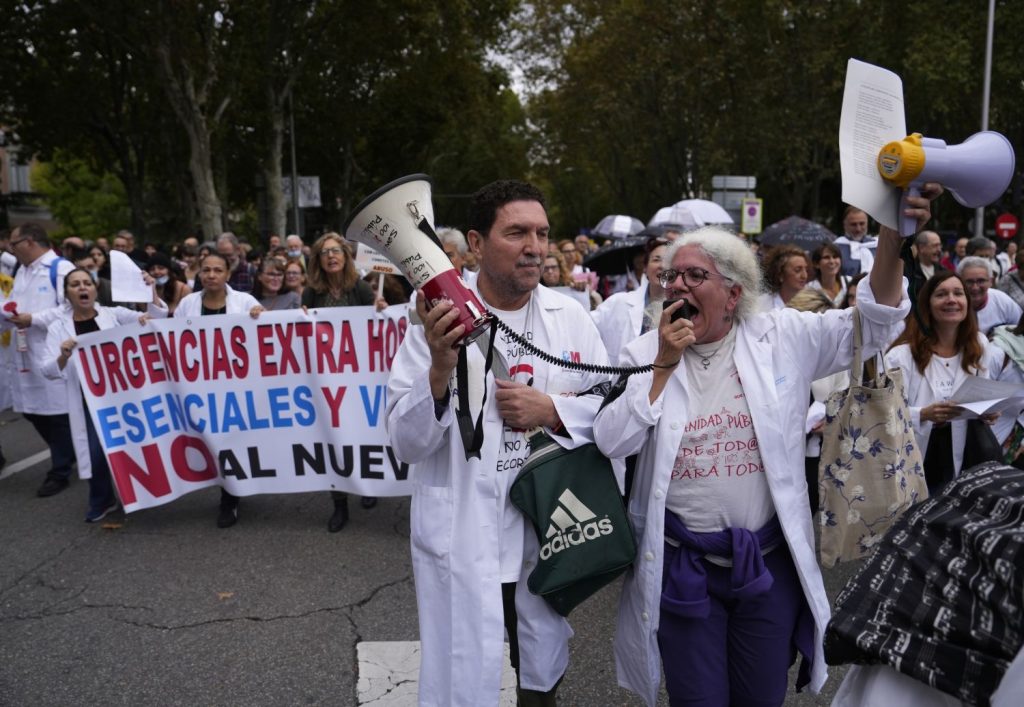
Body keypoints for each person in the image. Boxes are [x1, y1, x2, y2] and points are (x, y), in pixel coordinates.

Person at [592, 186, 936, 707]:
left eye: (694, 276)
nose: (677, 286)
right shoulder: (646, 348)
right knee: (699, 699)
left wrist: (891, 236)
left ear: (733, 293)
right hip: (686, 569)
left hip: (765, 565)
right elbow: (612, 439)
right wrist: (661, 365)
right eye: (671, 277)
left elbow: (876, 322)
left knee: (760, 697)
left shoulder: (782, 336)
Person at [386, 179, 611, 705]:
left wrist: (552, 408)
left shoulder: (571, 317)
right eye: (517, 232)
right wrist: (439, 369)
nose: (535, 246)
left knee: (541, 680)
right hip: (465, 533)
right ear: (476, 244)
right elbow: (405, 442)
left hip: (546, 530)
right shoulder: (430, 321)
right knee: (466, 677)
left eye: (542, 232)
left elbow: (612, 410)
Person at [40, 268, 167, 521]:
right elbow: (47, 370)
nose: (82, 288)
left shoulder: (115, 315)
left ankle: (144, 493)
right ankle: (102, 499)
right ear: (67, 293)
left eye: (87, 283)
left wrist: (150, 290)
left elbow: (155, 318)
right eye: (75, 284)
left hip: (124, 397)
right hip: (89, 401)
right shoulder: (58, 328)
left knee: (136, 446)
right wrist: (62, 355)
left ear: (96, 289)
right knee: (96, 453)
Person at [886, 271, 1017, 494]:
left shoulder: (978, 345)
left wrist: (985, 411)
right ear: (927, 304)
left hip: (967, 456)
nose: (952, 300)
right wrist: (923, 414)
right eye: (941, 294)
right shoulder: (901, 356)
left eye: (958, 293)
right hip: (918, 456)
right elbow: (882, 415)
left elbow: (979, 394)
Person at [302, 232, 385, 531]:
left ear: (346, 257)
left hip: (360, 375)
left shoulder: (359, 288)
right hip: (326, 378)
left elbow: (378, 325)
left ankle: (369, 486)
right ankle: (339, 503)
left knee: (362, 432)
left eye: (337, 251)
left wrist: (381, 311)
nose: (331, 256)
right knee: (332, 436)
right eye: (325, 253)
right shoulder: (312, 292)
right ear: (318, 260)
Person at [174, 252, 263, 527]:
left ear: (228, 274)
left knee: (232, 440)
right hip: (199, 388)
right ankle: (228, 489)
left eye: (217, 270)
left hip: (236, 386)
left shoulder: (245, 302)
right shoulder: (188, 304)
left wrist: (260, 317)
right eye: (206, 270)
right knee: (211, 440)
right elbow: (171, 337)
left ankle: (230, 498)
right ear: (199, 273)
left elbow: (264, 334)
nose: (211, 275)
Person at [2, 222, 77, 497]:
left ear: (30, 241)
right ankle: (68, 452)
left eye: (14, 243)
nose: (11, 248)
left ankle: (59, 470)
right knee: (30, 409)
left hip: (52, 350)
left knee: (56, 413)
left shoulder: (61, 269)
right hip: (22, 352)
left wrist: (33, 319)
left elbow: (70, 308)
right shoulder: (22, 271)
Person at [591, 236, 668, 365]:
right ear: (645, 268)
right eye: (656, 260)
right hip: (622, 381)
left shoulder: (684, 309)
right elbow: (585, 327)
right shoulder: (618, 302)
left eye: (668, 261)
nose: (662, 266)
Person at [957, 256, 1022, 336]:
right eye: (969, 282)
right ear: (959, 282)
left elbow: (1020, 329)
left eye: (981, 281)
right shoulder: (953, 304)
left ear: (991, 281)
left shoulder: (1003, 301)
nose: (975, 287)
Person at [903, 229, 946, 310]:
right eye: (935, 246)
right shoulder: (908, 271)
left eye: (940, 245)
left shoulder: (943, 271)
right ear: (921, 248)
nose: (939, 250)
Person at [760, 244, 810, 309]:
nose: (804, 276)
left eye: (806, 270)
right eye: (797, 270)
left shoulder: (812, 304)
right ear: (780, 274)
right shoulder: (760, 305)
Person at [832, 206, 876, 276]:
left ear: (867, 223)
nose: (858, 229)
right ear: (844, 225)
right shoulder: (835, 248)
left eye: (862, 224)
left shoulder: (876, 245)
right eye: (853, 224)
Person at [807, 242, 850, 308]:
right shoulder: (809, 289)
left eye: (835, 257)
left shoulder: (849, 282)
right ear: (816, 264)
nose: (832, 261)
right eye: (826, 257)